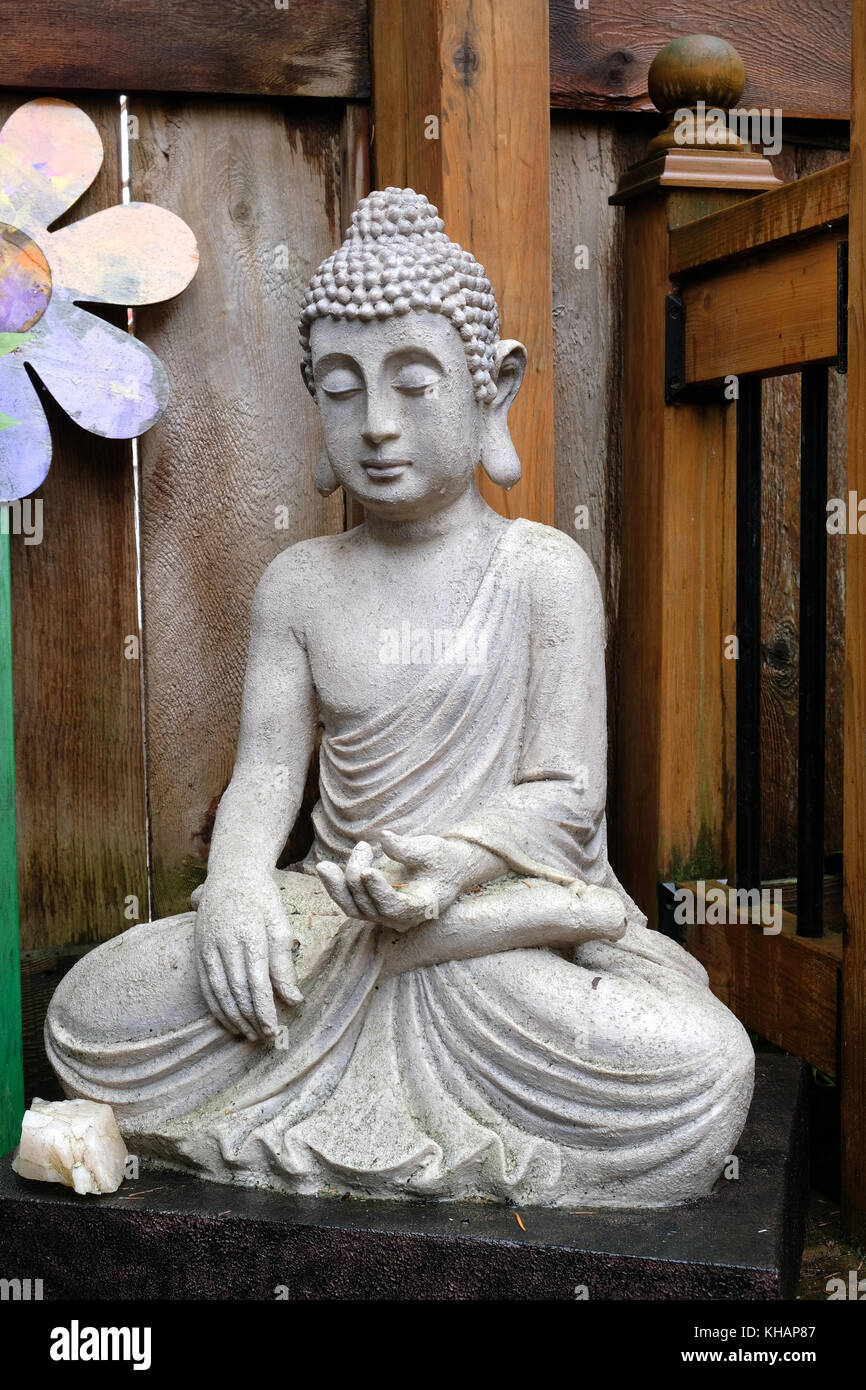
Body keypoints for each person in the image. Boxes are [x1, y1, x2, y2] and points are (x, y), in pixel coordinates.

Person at [46, 189, 754, 1208]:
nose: (376, 425)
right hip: (331, 924)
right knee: (87, 1010)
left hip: (489, 939)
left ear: (490, 384)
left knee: (699, 1065)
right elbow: (268, 775)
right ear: (314, 402)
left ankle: (411, 971)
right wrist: (241, 889)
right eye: (341, 390)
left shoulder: (538, 570)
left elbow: (563, 798)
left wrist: (449, 866)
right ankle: (375, 984)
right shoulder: (299, 583)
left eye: (413, 384)